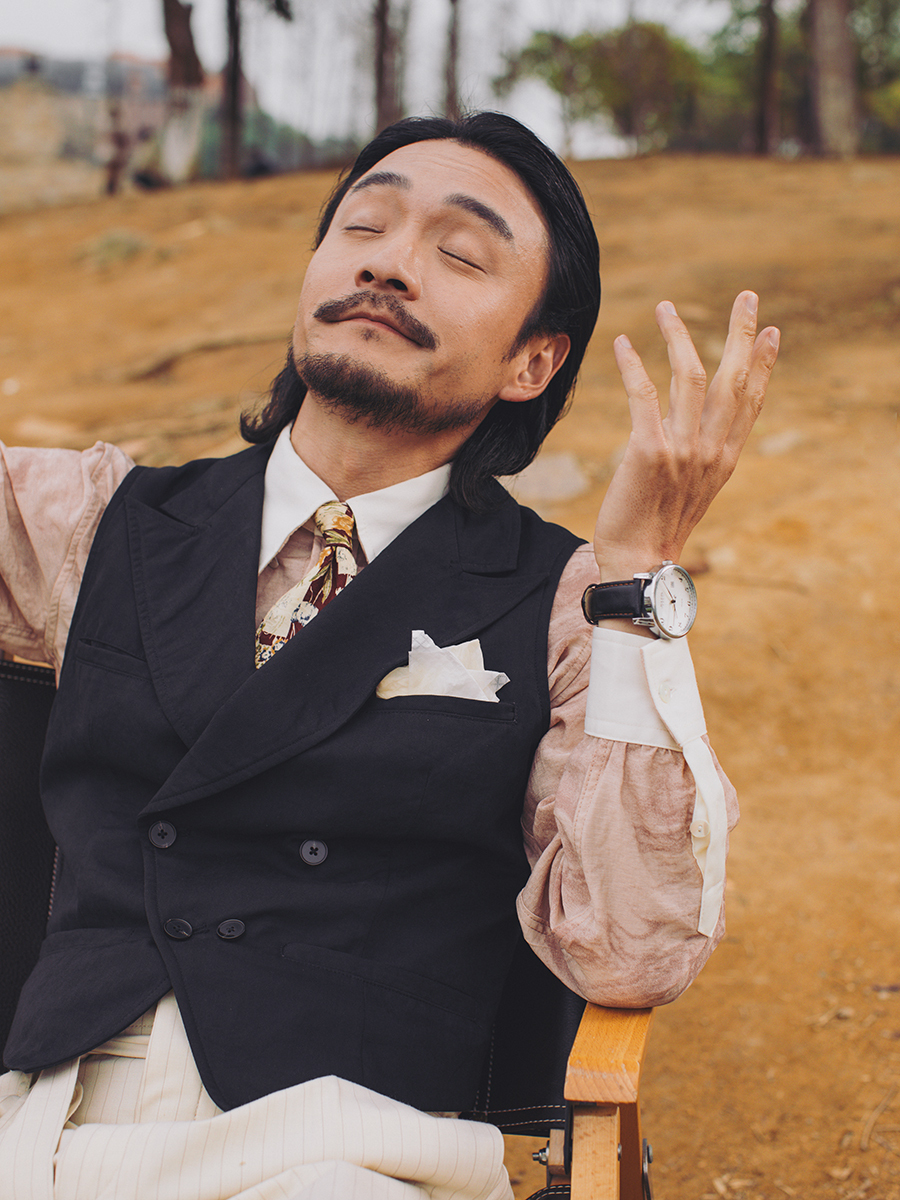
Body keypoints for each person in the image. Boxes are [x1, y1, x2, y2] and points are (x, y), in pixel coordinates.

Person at [0, 112, 779, 1200]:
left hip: (355, 1149)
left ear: (532, 362)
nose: (388, 263)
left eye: (459, 253)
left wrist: (638, 576)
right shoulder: (88, 519)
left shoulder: (570, 603)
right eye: (363, 225)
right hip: (49, 1124)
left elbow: (631, 946)